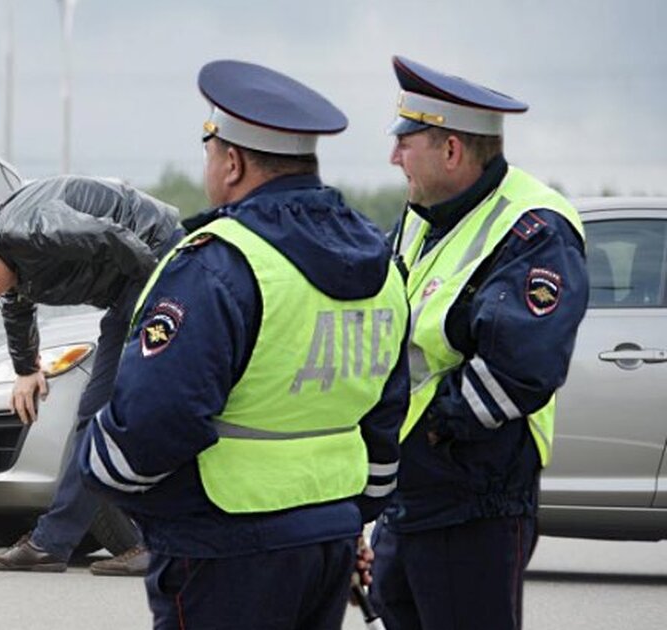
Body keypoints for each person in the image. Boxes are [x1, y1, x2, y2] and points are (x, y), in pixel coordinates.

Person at [80, 59, 410, 629]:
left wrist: (96, 466)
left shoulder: (218, 263)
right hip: (328, 532)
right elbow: (388, 406)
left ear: (231, 162)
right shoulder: (380, 259)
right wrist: (358, 511)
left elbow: (159, 415)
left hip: (223, 542)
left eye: (209, 150)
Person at [366, 56, 589, 629]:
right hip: (414, 490)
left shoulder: (535, 227)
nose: (393, 158)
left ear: (451, 150)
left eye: (405, 143)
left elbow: (521, 369)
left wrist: (429, 433)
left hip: (475, 493)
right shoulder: (422, 212)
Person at [0, 175, 183, 576]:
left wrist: (162, 300)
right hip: (127, 292)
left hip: (155, 266)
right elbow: (16, 306)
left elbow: (114, 236)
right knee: (94, 414)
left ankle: (155, 543)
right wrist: (26, 370)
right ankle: (53, 544)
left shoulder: (33, 229)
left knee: (136, 407)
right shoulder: (2, 254)